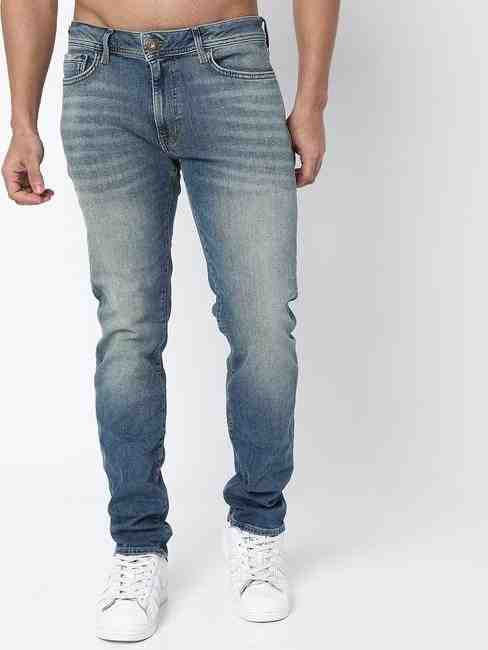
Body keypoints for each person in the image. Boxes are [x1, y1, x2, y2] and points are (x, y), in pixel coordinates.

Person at [1, 0, 340, 641]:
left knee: (263, 322)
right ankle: (137, 546)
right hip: (103, 75)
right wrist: (22, 119)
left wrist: (312, 101)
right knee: (128, 330)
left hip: (229, 67)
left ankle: (257, 527)